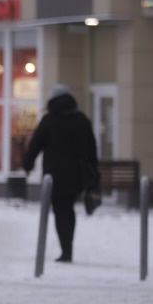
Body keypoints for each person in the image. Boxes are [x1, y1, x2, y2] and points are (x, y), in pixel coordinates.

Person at [23, 84, 99, 263]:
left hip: (54, 176)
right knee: (69, 210)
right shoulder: (81, 120)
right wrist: (93, 172)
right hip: (76, 176)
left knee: (60, 211)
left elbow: (36, 144)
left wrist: (27, 164)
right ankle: (68, 248)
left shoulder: (50, 120)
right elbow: (92, 149)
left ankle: (66, 251)